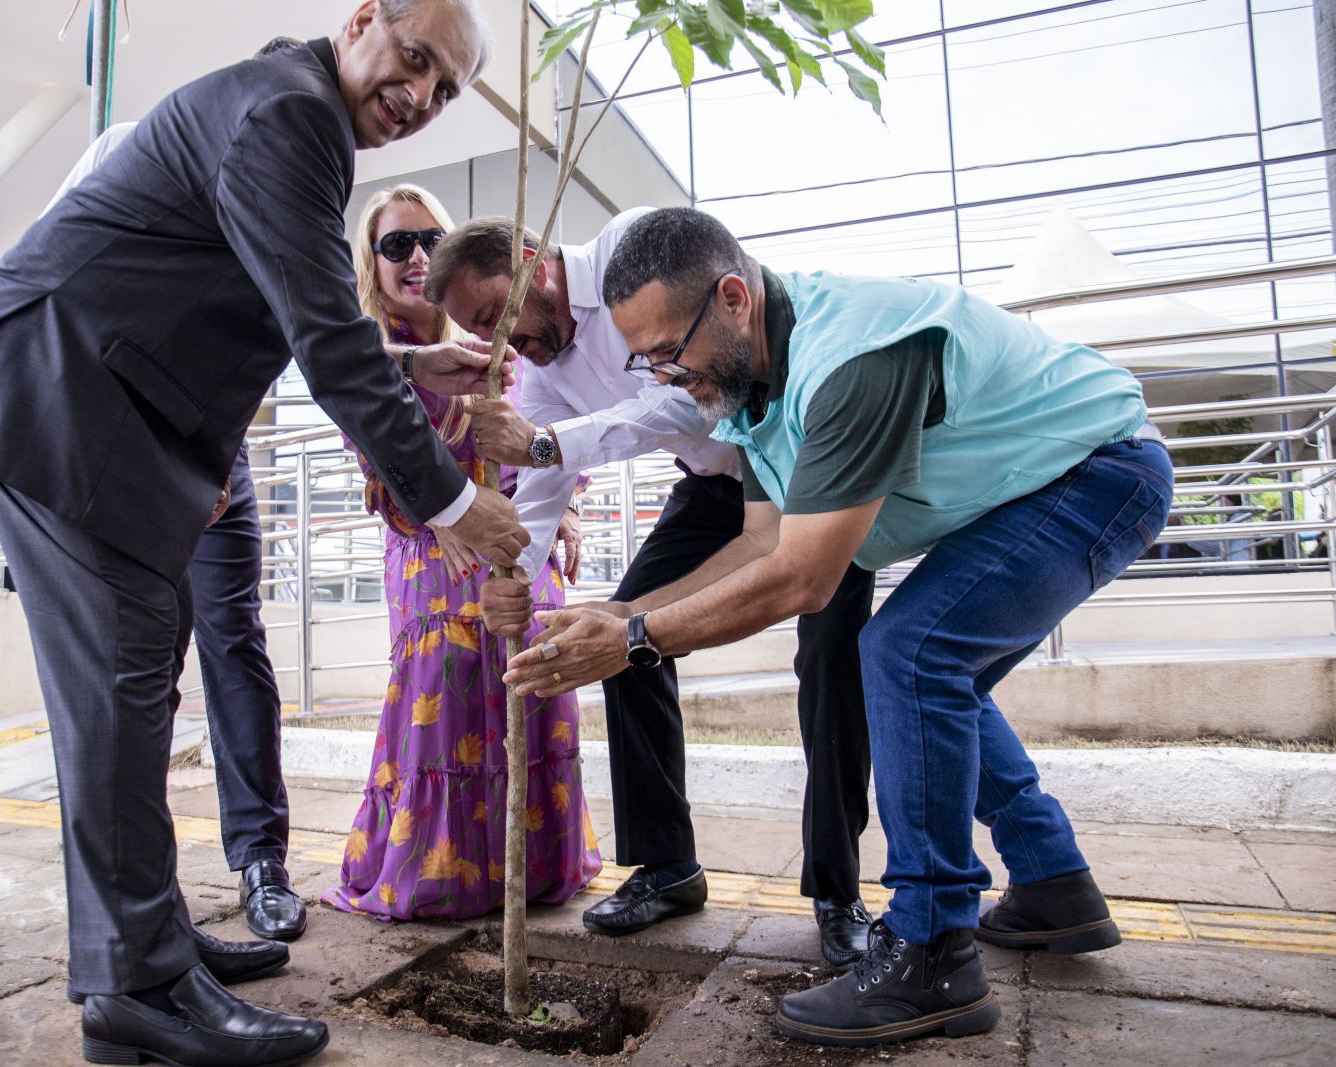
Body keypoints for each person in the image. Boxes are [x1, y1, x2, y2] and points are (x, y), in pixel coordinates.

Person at [0, 6, 527, 1066]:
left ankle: (148, 936)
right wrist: (457, 507)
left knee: (137, 674)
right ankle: (136, 989)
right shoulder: (290, 114)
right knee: (118, 681)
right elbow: (325, 339)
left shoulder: (286, 113)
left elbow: (284, 305)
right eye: (416, 59)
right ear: (363, 19)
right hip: (57, 392)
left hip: (90, 402)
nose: (421, 96)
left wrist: (412, 364)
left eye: (447, 90)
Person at [492, 208, 1173, 1048]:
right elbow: (758, 540)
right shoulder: (753, 386)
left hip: (1098, 471)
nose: (666, 377)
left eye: (670, 351)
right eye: (646, 361)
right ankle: (1052, 880)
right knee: (930, 677)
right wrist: (623, 610)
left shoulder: (848, 360)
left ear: (733, 299)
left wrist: (636, 640)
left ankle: (933, 949)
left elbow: (805, 577)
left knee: (906, 652)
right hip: (1034, 483)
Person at [426, 212, 876, 967]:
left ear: (532, 263)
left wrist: (548, 439)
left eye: (489, 316)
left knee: (830, 659)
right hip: (713, 487)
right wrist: (513, 579)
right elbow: (537, 499)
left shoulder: (634, 254)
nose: (497, 344)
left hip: (809, 465)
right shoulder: (539, 378)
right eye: (473, 331)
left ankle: (837, 891)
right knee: (617, 640)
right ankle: (668, 866)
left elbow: (689, 396)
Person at [51, 97, 306, 947]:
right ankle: (142, 920)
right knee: (138, 666)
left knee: (233, 636)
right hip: (123, 438)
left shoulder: (293, 191)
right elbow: (71, 282)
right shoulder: (134, 152)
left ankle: (259, 860)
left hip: (215, 436)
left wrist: (217, 448)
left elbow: (281, 328)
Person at [324, 184, 600, 922]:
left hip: (515, 528)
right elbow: (378, 461)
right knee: (446, 654)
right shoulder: (365, 355)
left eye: (427, 240)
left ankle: (531, 868)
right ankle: (444, 873)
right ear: (371, 262)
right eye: (395, 245)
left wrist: (564, 504)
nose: (414, 256)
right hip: (428, 540)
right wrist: (443, 511)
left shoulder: (492, 331)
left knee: (537, 647)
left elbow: (551, 413)